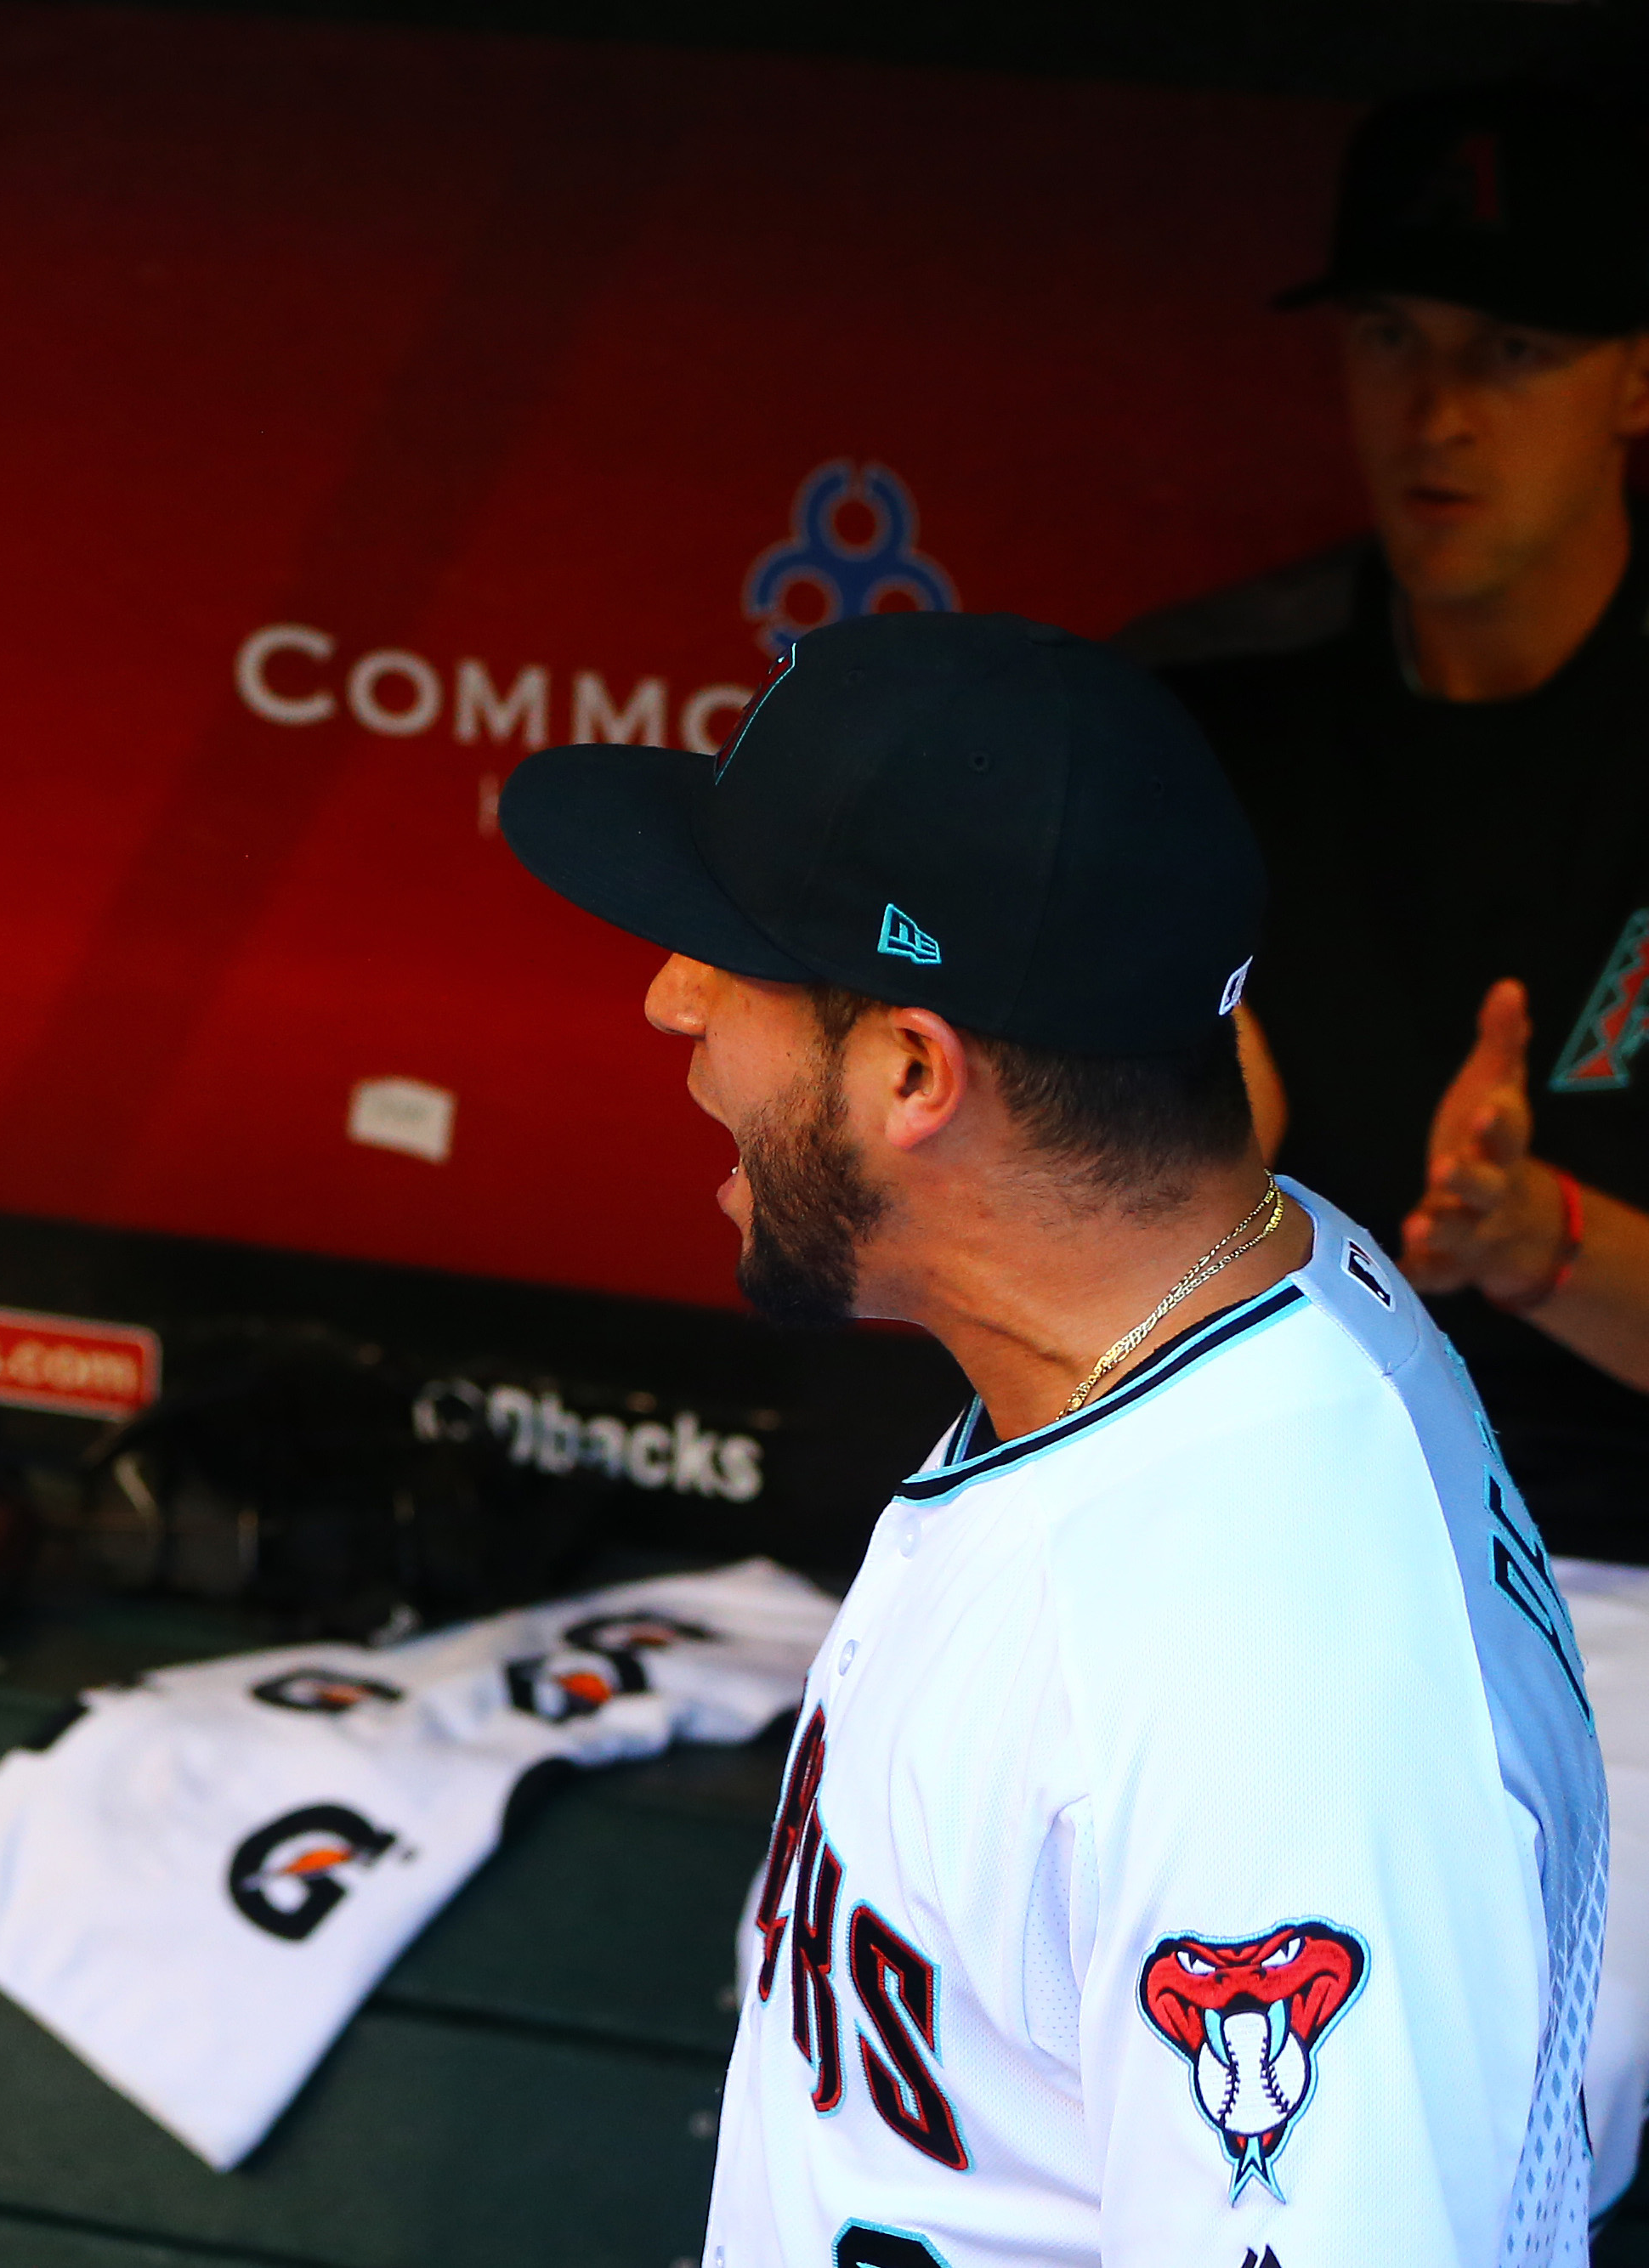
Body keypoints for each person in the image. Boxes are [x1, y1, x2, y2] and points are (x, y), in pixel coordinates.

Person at [502, 610, 1603, 2264]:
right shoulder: (1216, 1292)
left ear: (910, 1072)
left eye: (725, 958)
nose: (670, 1002)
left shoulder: (1243, 1678)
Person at [1130, 79, 1649, 2209]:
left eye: (1511, 351)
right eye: (1388, 342)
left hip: (1618, 1577)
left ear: (1636, 378)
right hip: (1288, 1552)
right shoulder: (1215, 713)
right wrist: (1187, 1192)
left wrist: (1530, 1245)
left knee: (1419, 2095)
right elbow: (1118, 1247)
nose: (1435, 409)